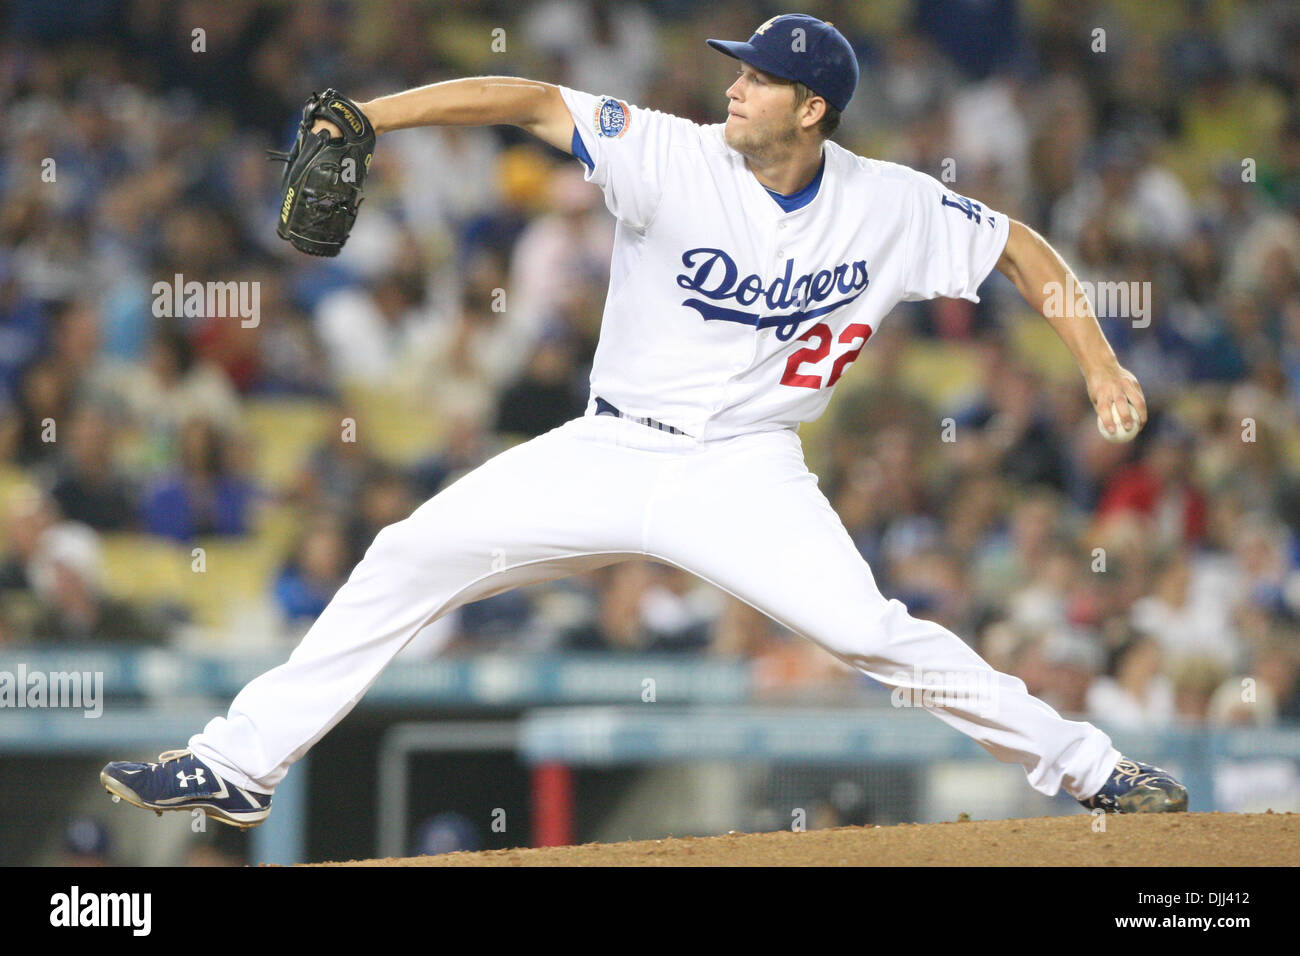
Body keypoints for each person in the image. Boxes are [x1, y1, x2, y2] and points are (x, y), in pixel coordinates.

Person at [102, 14, 1186, 830]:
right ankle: (238, 760)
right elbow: (525, 99)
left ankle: (1089, 767)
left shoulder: (888, 201)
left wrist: (1096, 362)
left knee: (870, 632)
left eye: (761, 76)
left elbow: (1018, 248)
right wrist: (371, 119)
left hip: (745, 469)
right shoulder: (667, 148)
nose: (736, 84)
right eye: (739, 66)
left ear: (812, 109)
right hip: (610, 444)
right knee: (404, 553)